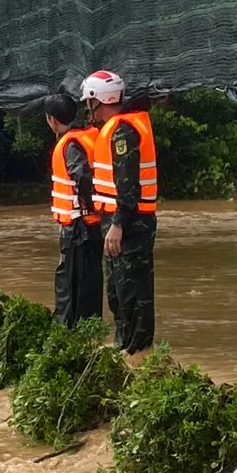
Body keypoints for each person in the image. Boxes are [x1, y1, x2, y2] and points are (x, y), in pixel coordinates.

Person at [82, 70, 158, 357]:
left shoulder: (122, 130)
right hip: (119, 222)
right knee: (117, 291)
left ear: (97, 100)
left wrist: (117, 225)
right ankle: (125, 349)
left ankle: (138, 352)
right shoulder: (115, 127)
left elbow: (128, 184)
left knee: (133, 292)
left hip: (129, 223)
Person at [45, 94, 103, 327]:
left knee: (76, 285)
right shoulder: (88, 136)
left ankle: (74, 333)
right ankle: (74, 329)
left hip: (80, 227)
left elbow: (83, 177)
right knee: (75, 281)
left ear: (52, 120)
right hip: (85, 225)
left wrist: (86, 207)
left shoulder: (70, 144)